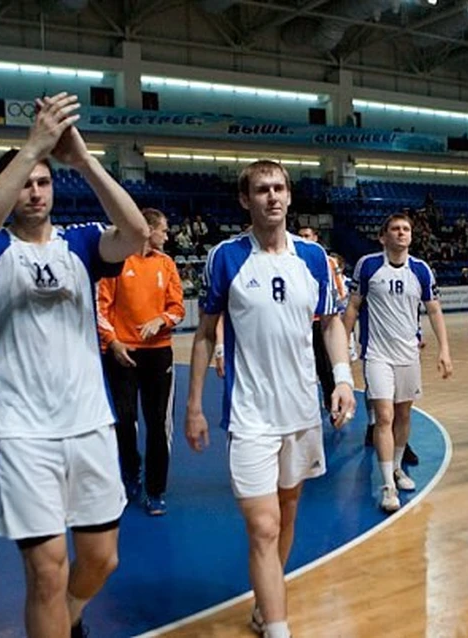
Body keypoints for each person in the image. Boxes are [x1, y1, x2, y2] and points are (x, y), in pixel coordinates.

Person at [0, 92, 149, 637]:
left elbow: (135, 235)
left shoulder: (81, 244)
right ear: (10, 191)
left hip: (88, 422)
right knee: (44, 573)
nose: (34, 192)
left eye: (43, 181)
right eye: (25, 183)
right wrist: (33, 144)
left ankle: (72, 615)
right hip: (21, 431)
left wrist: (83, 161)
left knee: (102, 559)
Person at [183, 160, 355, 638]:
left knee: (288, 512)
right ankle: (279, 627)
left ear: (290, 196)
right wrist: (194, 405)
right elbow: (203, 333)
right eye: (262, 190)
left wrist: (341, 378)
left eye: (279, 188)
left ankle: (266, 602)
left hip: (301, 411)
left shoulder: (315, 258)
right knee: (263, 526)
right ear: (246, 200)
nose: (273, 197)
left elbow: (331, 322)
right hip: (250, 415)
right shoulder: (226, 257)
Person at [344, 213, 453, 513]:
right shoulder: (368, 266)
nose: (401, 233)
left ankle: (396, 467)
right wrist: (344, 342)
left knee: (404, 415)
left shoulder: (421, 270)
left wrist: (444, 349)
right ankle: (387, 486)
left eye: (406, 229)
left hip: (409, 355)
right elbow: (353, 307)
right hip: (377, 354)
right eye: (395, 229)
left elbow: (434, 311)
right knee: (384, 416)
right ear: (383, 237)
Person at [97, 207, 185, 516]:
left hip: (158, 353)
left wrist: (161, 320)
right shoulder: (116, 263)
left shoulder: (167, 264)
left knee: (158, 424)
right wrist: (113, 341)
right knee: (124, 420)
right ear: (148, 230)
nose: (167, 234)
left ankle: (156, 490)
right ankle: (130, 470)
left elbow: (178, 308)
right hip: (122, 354)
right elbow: (101, 308)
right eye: (164, 228)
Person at [298, 226, 348, 411]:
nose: (305, 238)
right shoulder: (290, 259)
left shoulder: (328, 262)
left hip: (321, 321)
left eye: (307, 235)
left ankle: (332, 404)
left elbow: (339, 293)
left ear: (316, 237)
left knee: (325, 367)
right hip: (300, 323)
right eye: (301, 236)